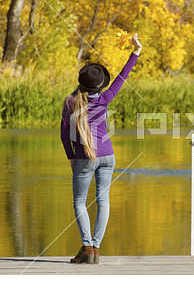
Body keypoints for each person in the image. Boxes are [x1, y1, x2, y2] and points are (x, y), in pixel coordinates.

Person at [60, 33, 142, 264]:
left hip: (85, 156)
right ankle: (95, 248)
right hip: (108, 155)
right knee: (103, 200)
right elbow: (122, 77)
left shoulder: (70, 101)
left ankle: (87, 247)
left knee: (79, 201)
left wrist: (71, 158)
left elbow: (65, 135)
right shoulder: (105, 98)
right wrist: (135, 51)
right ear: (99, 84)